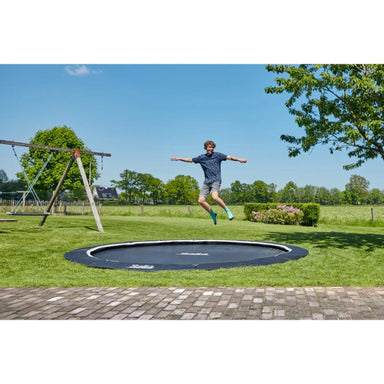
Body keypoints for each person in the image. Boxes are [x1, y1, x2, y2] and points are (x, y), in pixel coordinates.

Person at [171, 140, 247, 224]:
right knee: (200, 201)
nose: (210, 149)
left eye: (212, 147)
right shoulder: (202, 158)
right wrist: (179, 159)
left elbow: (230, 157)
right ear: (206, 148)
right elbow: (190, 160)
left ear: (213, 148)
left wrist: (239, 159)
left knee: (214, 197)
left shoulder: (218, 155)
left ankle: (228, 211)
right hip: (207, 181)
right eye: (209, 147)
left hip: (216, 180)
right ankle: (212, 214)